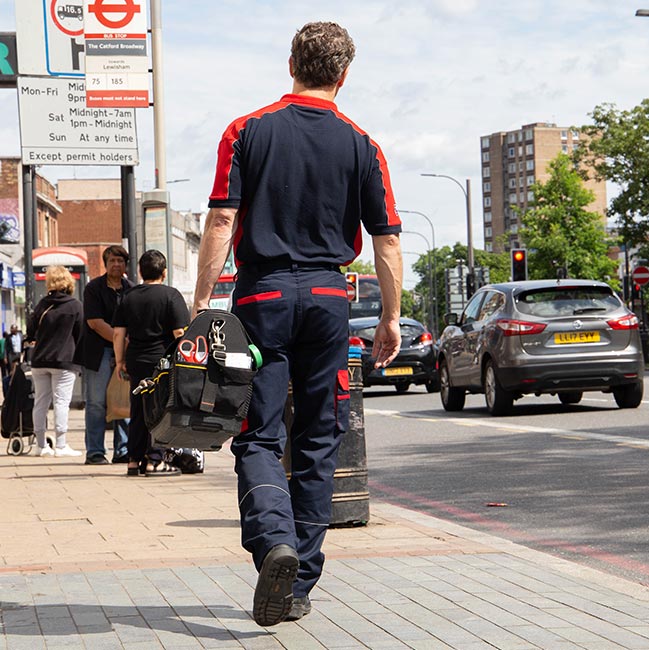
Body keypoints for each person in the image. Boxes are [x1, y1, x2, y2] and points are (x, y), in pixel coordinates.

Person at [192, 21, 403, 627]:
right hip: (329, 298)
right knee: (317, 436)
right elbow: (386, 242)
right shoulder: (363, 143)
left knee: (257, 433)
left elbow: (219, 224)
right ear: (344, 73)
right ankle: (301, 580)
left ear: (291, 64)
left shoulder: (246, 130)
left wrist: (205, 303)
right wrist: (389, 316)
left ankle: (272, 545)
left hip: (260, 297)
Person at [113, 250, 190, 477]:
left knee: (138, 409)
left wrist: (119, 362)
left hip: (136, 360)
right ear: (164, 272)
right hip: (163, 363)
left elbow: (118, 334)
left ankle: (133, 460)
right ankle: (154, 460)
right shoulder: (171, 296)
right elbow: (179, 333)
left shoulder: (128, 297)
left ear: (140, 271)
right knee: (161, 410)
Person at [83, 245, 133, 465]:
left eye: (120, 261)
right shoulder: (93, 288)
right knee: (96, 403)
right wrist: (119, 340)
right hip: (98, 352)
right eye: (112, 261)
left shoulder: (131, 289)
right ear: (105, 263)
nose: (116, 265)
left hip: (126, 352)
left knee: (122, 400)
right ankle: (95, 451)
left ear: (125, 265)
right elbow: (94, 323)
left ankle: (122, 449)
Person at [26, 266, 83, 457]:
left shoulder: (42, 305)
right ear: (68, 282)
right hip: (64, 361)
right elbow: (80, 334)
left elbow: (31, 330)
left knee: (40, 402)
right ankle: (61, 445)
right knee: (61, 402)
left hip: (40, 360)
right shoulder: (75, 306)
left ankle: (41, 445)